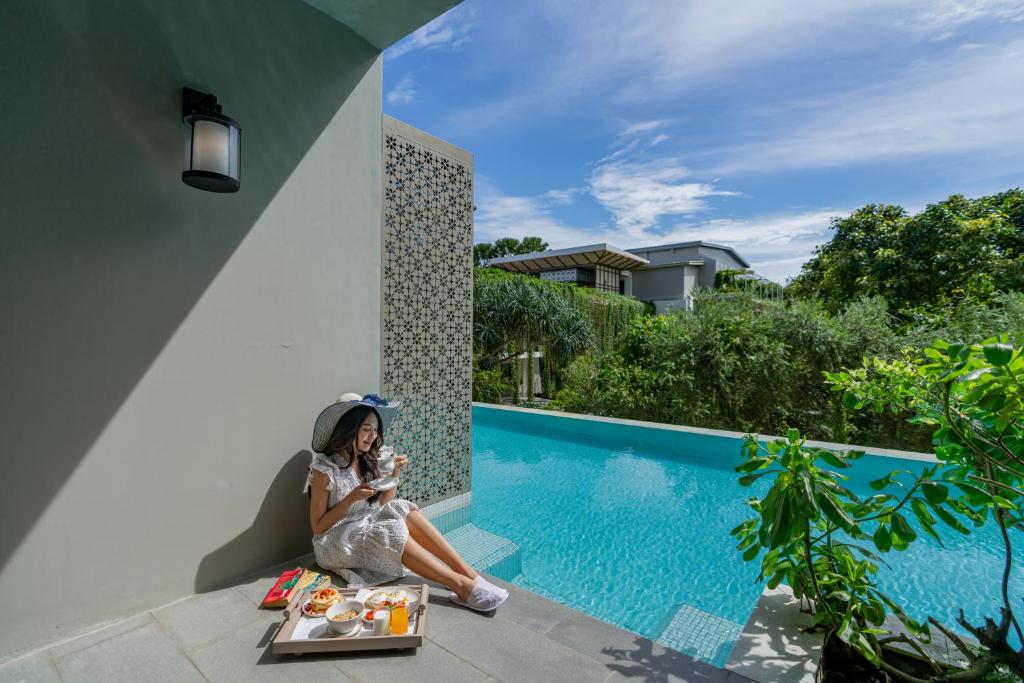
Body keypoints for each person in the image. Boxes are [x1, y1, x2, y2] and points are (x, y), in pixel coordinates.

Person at [305, 392, 508, 612]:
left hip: (364, 524)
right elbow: (318, 527)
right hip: (335, 539)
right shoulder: (326, 470)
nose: (373, 436)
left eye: (375, 429)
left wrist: (395, 473)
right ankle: (461, 586)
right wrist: (350, 499)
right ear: (347, 429)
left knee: (401, 506)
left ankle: (471, 575)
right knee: (386, 530)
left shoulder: (366, 458)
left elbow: (384, 504)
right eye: (366, 429)